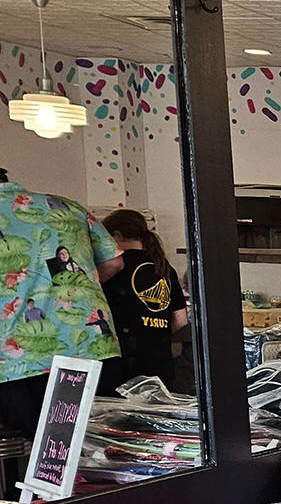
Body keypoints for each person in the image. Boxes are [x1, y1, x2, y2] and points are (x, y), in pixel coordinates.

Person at [0, 175, 122, 434]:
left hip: (19, 362)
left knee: (43, 445)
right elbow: (114, 262)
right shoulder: (69, 207)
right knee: (97, 441)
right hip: (91, 346)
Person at [100, 208, 190, 388]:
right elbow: (180, 322)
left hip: (122, 362)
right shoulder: (165, 268)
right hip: (159, 364)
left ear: (115, 236)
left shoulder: (111, 267)